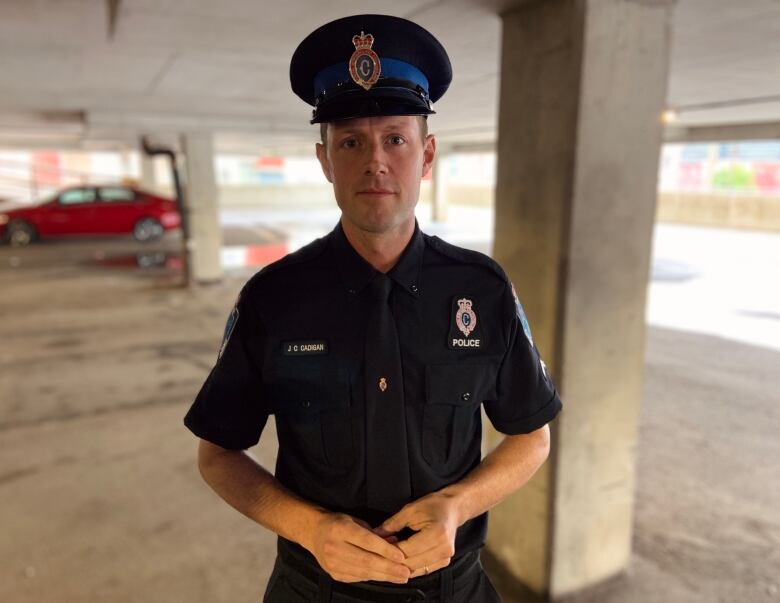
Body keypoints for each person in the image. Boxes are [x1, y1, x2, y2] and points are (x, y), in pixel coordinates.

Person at [184, 13, 562, 603]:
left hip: (454, 590)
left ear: (427, 154)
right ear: (324, 159)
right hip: (314, 590)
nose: (375, 162)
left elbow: (531, 437)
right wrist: (310, 528)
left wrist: (455, 506)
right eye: (351, 142)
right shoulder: (274, 297)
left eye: (394, 139)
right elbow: (218, 455)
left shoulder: (482, 289)